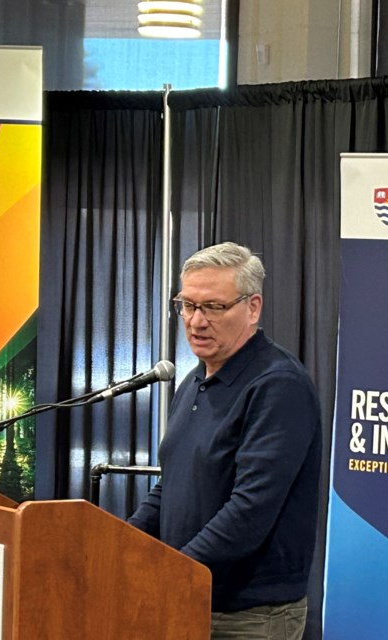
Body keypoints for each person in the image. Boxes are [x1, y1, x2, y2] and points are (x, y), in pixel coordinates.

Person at [128, 242, 322, 640]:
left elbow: (250, 509)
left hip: (248, 616)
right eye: (187, 305)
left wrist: (174, 571)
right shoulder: (194, 381)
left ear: (253, 308)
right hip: (188, 596)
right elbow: (173, 485)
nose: (196, 321)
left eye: (213, 307)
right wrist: (120, 545)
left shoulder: (277, 385)